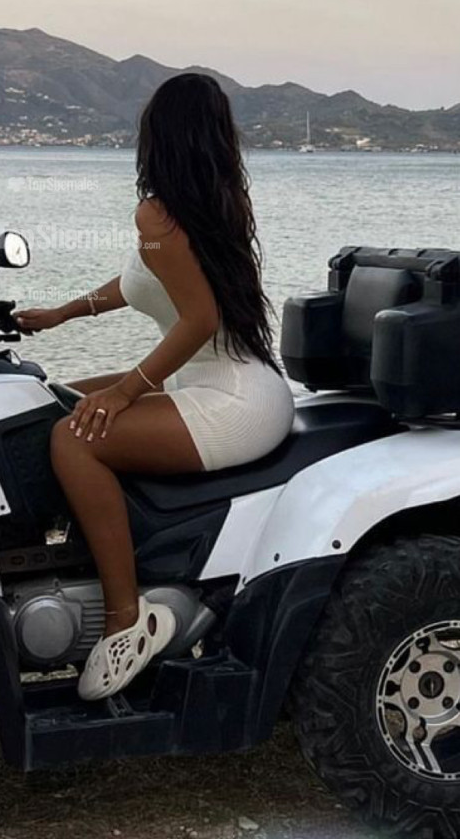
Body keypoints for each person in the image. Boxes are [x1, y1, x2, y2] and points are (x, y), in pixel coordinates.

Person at [15, 74, 294, 701]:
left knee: (74, 439)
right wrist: (63, 314)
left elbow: (200, 320)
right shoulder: (203, 204)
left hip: (235, 401)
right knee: (46, 399)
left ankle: (123, 620)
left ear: (159, 135)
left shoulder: (160, 214)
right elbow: (138, 282)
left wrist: (124, 392)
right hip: (215, 382)